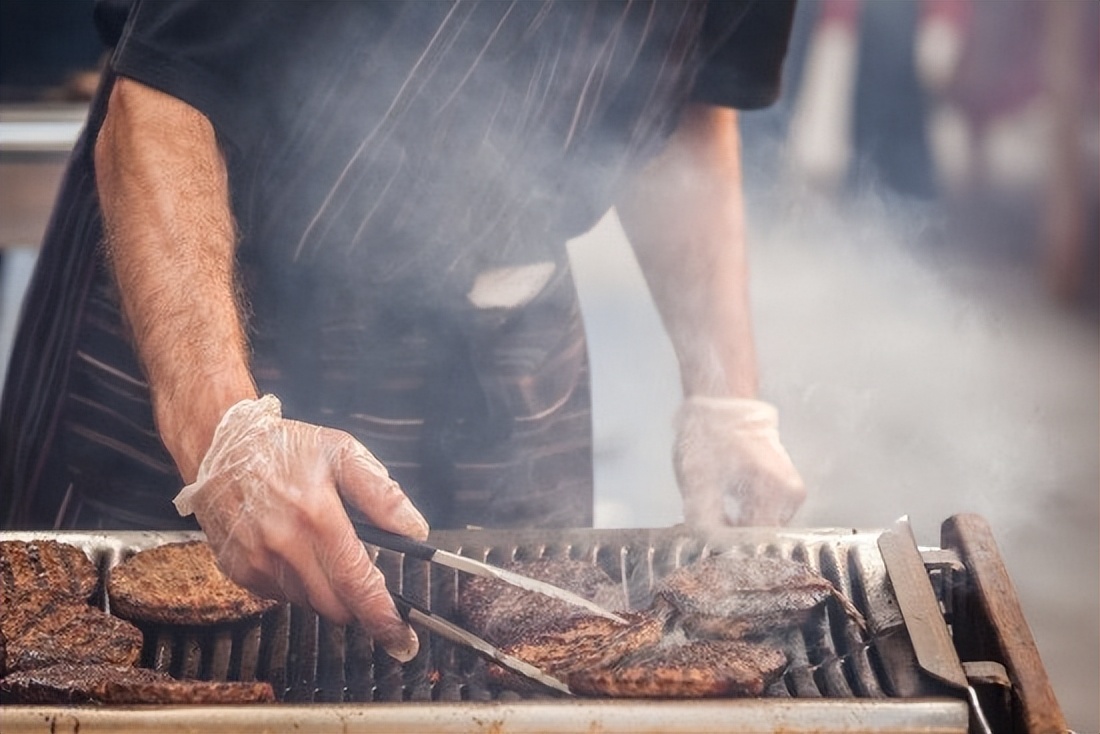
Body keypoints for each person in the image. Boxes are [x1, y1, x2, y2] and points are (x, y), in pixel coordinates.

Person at [0, 0, 805, 661]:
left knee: (521, 668)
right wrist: (226, 438)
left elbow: (692, 101)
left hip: (504, 352)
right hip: (218, 315)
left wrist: (726, 400)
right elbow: (156, 102)